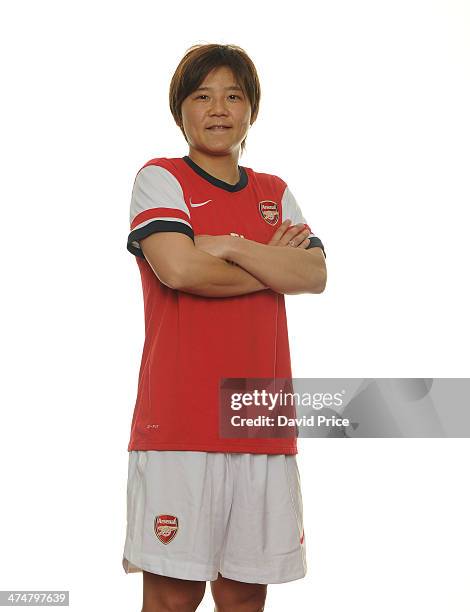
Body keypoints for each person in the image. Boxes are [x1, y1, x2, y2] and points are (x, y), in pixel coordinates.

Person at [122, 43, 327, 612]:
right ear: (180, 111)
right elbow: (180, 268)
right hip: (181, 418)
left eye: (233, 95)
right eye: (202, 96)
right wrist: (270, 265)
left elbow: (313, 273)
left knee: (243, 597)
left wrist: (233, 246)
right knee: (172, 598)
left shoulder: (273, 192)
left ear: (251, 111)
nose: (218, 108)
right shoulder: (160, 179)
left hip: (258, 419)